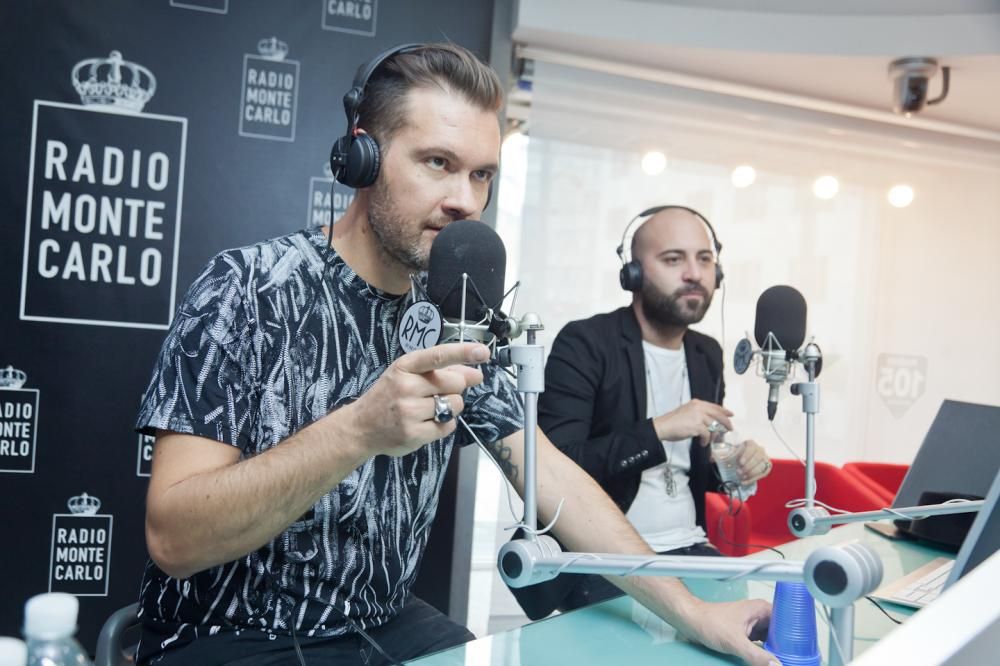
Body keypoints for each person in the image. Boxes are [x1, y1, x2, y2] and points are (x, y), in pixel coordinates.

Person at [134, 44, 774, 666]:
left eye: (481, 174)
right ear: (362, 156)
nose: (465, 201)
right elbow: (173, 538)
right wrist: (358, 431)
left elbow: (555, 481)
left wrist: (695, 614)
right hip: (231, 634)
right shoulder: (248, 288)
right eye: (437, 162)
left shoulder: (456, 314)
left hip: (385, 625)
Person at [520, 206, 774, 614]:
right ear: (633, 274)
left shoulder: (706, 354)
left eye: (704, 259)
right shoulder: (586, 343)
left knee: (762, 624)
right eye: (673, 259)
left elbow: (692, 468)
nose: (694, 273)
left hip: (691, 549)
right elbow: (554, 468)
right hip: (607, 558)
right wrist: (659, 429)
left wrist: (736, 467)